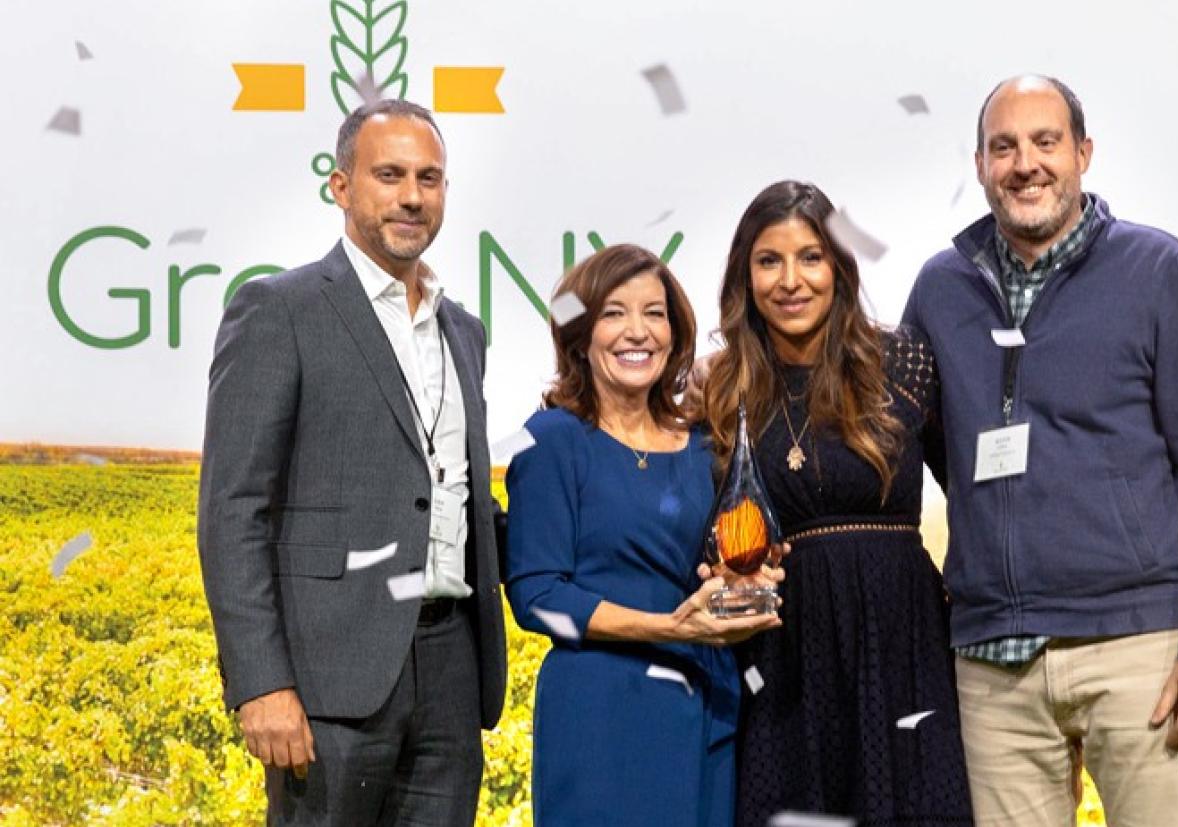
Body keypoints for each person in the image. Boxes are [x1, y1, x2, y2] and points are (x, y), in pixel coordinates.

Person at [902, 75, 1178, 824]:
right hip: (992, 667)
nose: (1025, 163)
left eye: (1045, 142)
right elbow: (917, 438)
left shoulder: (1158, 270)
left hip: (1139, 650)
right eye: (1004, 147)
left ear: (1083, 153)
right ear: (979, 165)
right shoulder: (939, 289)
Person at [197, 99, 506, 826]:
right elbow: (232, 511)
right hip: (326, 679)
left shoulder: (464, 330)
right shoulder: (280, 309)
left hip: (452, 668)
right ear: (341, 186)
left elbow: (456, 499)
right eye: (389, 175)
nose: (411, 196)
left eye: (428, 178)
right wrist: (260, 681)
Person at [701, 181, 973, 826]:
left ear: (839, 268)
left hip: (902, 639)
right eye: (769, 261)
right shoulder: (722, 385)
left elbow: (971, 491)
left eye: (811, 257)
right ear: (745, 276)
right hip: (784, 657)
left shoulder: (902, 360)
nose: (790, 281)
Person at [504, 244, 782, 827]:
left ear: (675, 333)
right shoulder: (551, 439)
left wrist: (745, 579)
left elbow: (716, 563)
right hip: (601, 717)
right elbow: (537, 596)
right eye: (614, 313)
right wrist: (669, 628)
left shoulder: (705, 445)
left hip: (707, 709)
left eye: (654, 313)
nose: (638, 331)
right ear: (581, 333)